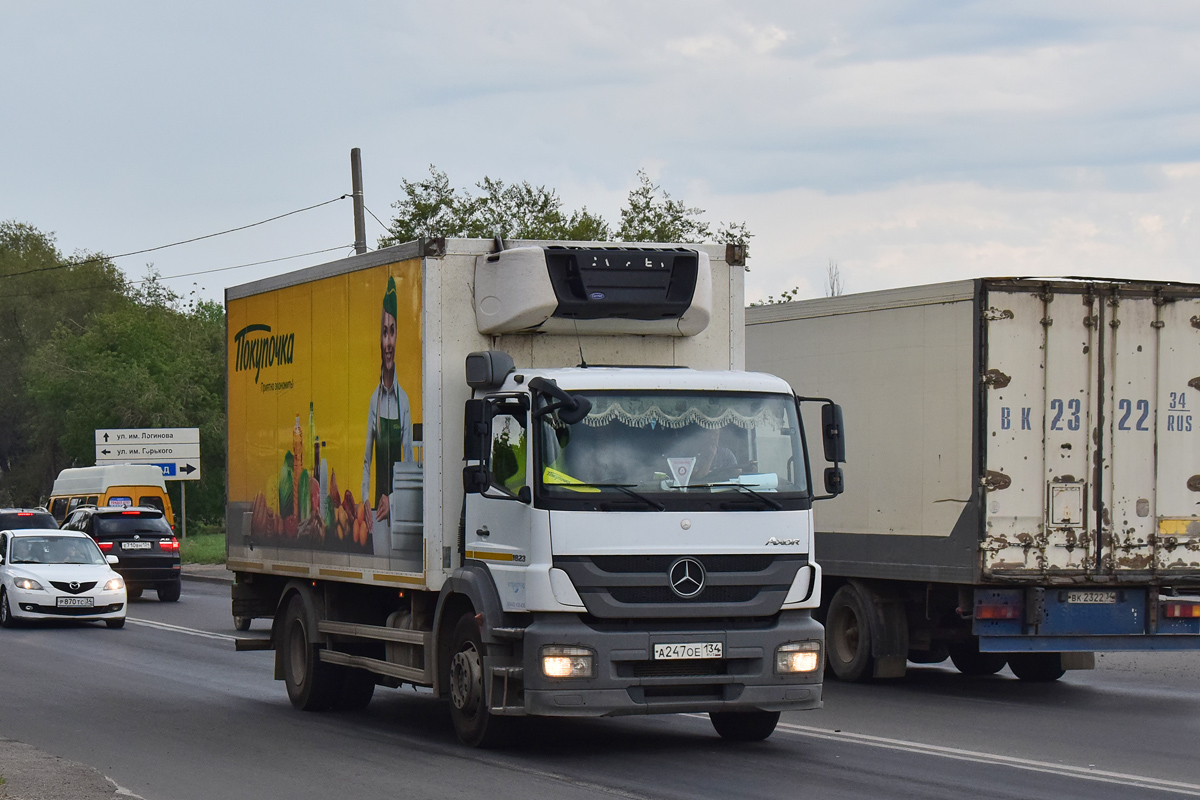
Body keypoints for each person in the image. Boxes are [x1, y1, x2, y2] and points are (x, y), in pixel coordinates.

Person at [362, 275, 414, 524]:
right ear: (380, 340)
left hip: (399, 510)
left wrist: (392, 500)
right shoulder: (375, 400)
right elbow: (366, 461)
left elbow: (410, 467)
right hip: (376, 514)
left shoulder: (404, 402)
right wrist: (364, 502)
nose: (389, 342)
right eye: (384, 333)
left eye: (392, 332)